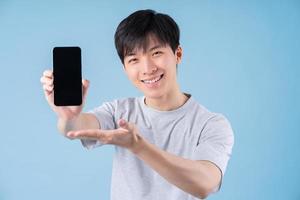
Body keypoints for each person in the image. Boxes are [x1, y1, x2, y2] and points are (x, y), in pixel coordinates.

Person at [40, 9, 234, 200]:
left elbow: (205, 184)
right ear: (124, 68)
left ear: (178, 54)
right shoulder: (119, 111)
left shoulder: (211, 124)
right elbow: (74, 129)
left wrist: (138, 146)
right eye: (134, 59)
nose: (147, 68)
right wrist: (68, 117)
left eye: (156, 53)